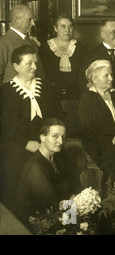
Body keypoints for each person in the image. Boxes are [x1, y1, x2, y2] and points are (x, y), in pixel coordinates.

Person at [0, 45, 62, 210]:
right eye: (29, 64)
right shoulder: (5, 92)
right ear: (16, 66)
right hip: (17, 147)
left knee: (63, 168)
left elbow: (58, 118)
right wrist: (26, 144)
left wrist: (50, 141)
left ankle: (65, 219)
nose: (35, 67)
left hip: (49, 145)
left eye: (36, 62)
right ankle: (28, 221)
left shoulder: (47, 87)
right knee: (21, 168)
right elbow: (4, 129)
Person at [15, 118, 75, 225]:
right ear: (42, 137)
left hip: (56, 217)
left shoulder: (57, 160)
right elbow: (52, 203)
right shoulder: (35, 167)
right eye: (55, 136)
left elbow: (68, 192)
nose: (61, 142)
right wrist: (74, 208)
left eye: (63, 137)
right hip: (36, 224)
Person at [39, 14, 87, 102]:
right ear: (55, 28)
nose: (67, 30)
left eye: (70, 26)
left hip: (76, 97)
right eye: (63, 26)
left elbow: (83, 75)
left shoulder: (80, 48)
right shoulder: (44, 47)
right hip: (51, 97)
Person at [0, 4, 45, 84]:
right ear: (17, 21)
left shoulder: (30, 41)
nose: (33, 24)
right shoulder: (3, 43)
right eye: (29, 20)